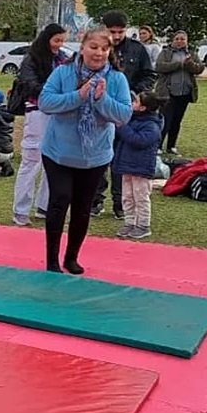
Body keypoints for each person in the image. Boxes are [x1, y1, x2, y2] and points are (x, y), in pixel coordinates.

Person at [39, 26, 133, 274]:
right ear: (82, 48)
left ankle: (71, 258)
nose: (99, 53)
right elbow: (45, 103)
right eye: (93, 47)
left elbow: (124, 115)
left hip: (94, 156)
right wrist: (78, 96)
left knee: (82, 208)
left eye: (104, 48)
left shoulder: (116, 79)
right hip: (58, 152)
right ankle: (52, 261)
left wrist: (102, 100)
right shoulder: (63, 72)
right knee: (60, 200)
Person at [93, 11, 156, 218]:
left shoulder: (137, 49)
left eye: (121, 32)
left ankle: (120, 203)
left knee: (121, 157)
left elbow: (149, 75)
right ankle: (95, 200)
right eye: (113, 32)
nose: (117, 36)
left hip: (126, 111)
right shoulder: (96, 48)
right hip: (100, 110)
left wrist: (134, 92)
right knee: (99, 156)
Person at [12, 24, 71, 226]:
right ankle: (21, 209)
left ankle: (45, 206)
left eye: (62, 41)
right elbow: (29, 84)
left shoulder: (63, 59)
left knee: (54, 160)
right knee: (32, 159)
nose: (59, 45)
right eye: (56, 40)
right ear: (47, 39)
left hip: (59, 112)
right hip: (38, 110)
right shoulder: (32, 59)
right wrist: (52, 92)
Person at [114, 91, 165, 240]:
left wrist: (122, 127)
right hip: (127, 164)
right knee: (127, 196)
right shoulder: (133, 119)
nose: (132, 103)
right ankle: (129, 222)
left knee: (141, 197)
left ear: (143, 107)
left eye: (135, 101)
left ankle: (143, 225)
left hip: (141, 167)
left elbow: (139, 141)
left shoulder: (152, 126)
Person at [153, 30, 205, 155]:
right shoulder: (165, 52)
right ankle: (158, 146)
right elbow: (159, 67)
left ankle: (171, 146)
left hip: (184, 93)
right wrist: (178, 64)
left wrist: (189, 64)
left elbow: (199, 68)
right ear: (173, 40)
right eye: (177, 39)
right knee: (165, 120)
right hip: (168, 93)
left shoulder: (191, 53)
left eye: (182, 39)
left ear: (187, 41)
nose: (179, 41)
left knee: (177, 121)